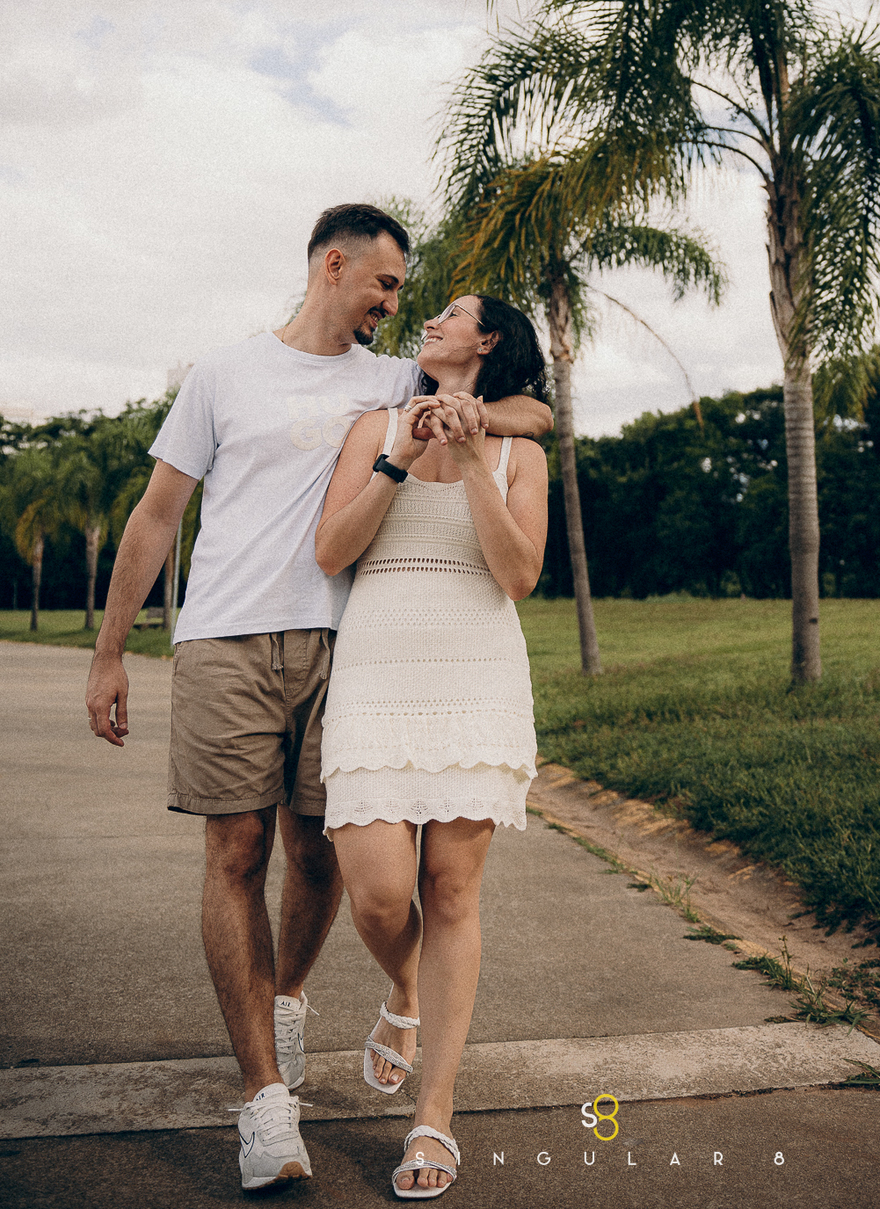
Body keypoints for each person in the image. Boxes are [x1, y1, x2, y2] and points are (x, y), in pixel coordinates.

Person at [82, 206, 552, 1194]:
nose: (396, 304)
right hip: (227, 637)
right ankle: (263, 1099)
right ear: (334, 267)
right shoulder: (226, 375)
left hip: (346, 645)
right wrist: (111, 650)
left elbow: (527, 413)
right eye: (384, 285)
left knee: (315, 853)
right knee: (241, 849)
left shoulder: (390, 377)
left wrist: (475, 426)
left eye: (408, 293)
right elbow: (158, 512)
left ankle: (292, 999)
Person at [314, 293, 549, 1201]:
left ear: (486, 341)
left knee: (451, 891)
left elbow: (519, 575)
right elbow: (333, 550)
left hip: (475, 673)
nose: (434, 318)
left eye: (452, 311)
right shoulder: (375, 423)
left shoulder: (518, 449)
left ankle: (434, 1115)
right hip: (377, 670)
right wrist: (398, 461)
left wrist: (474, 462)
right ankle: (406, 996)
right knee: (376, 893)